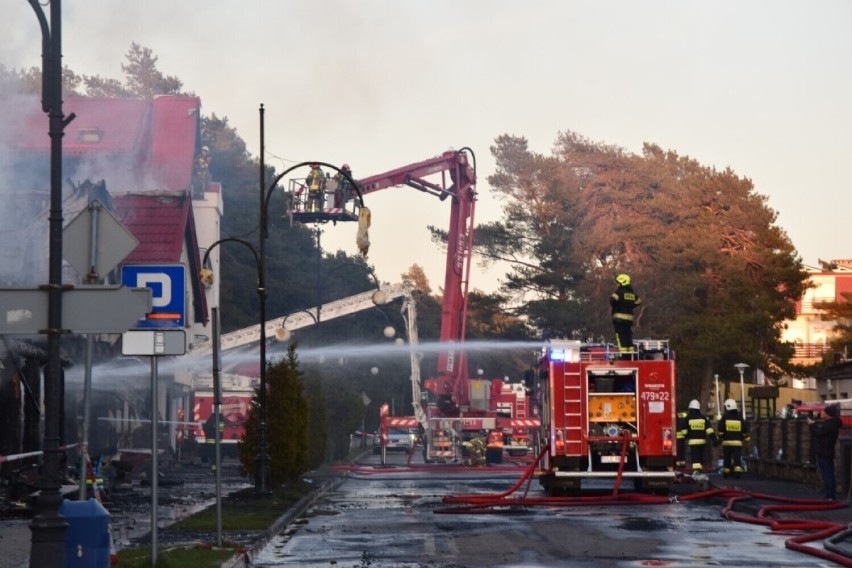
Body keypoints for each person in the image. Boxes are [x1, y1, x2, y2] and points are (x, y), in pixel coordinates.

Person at [808, 403, 843, 500]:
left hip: (825, 452)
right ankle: (830, 495)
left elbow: (818, 433)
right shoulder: (832, 423)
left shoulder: (829, 424)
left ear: (828, 414)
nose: (822, 413)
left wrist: (812, 425)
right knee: (829, 473)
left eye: (824, 411)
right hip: (827, 451)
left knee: (827, 474)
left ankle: (830, 496)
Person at [716, 398, 749, 478]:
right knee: (737, 458)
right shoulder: (739, 417)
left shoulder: (725, 417)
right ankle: (738, 474)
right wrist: (746, 438)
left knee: (727, 458)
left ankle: (726, 473)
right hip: (737, 443)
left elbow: (720, 429)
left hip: (727, 442)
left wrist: (719, 438)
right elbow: (744, 428)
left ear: (728, 407)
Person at [610, 273, 641, 352]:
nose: (617, 285)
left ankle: (623, 354)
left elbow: (612, 301)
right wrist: (631, 305)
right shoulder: (632, 294)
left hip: (619, 320)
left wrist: (619, 305)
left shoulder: (619, 292)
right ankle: (630, 353)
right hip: (629, 320)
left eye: (618, 283)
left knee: (621, 336)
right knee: (628, 336)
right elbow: (639, 301)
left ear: (622, 282)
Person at [684, 399, 714, 473]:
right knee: (700, 456)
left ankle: (696, 471)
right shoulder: (703, 418)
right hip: (702, 441)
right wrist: (714, 439)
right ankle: (699, 469)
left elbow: (684, 430)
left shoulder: (688, 418)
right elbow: (709, 430)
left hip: (693, 442)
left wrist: (687, 436)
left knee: (695, 457)